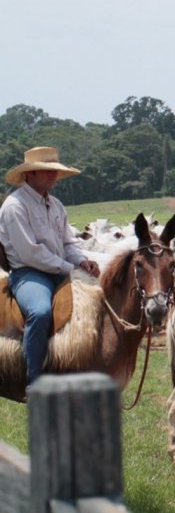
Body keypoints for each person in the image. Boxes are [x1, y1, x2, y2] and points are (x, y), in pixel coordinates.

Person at [0, 147, 100, 388]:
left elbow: (68, 242)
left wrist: (81, 261)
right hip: (29, 273)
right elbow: (29, 252)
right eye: (47, 172)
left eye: (55, 172)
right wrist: (68, 267)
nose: (53, 176)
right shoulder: (15, 206)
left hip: (59, 269)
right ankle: (34, 380)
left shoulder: (55, 205)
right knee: (41, 311)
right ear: (30, 174)